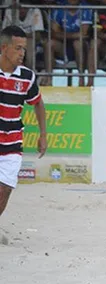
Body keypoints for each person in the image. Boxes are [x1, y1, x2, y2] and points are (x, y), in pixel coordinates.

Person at [0, 26, 47, 243]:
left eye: (24, 49)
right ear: (4, 48)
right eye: (18, 48)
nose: (22, 53)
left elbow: (37, 103)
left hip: (12, 141)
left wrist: (43, 134)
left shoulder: (27, 77)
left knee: (6, 189)